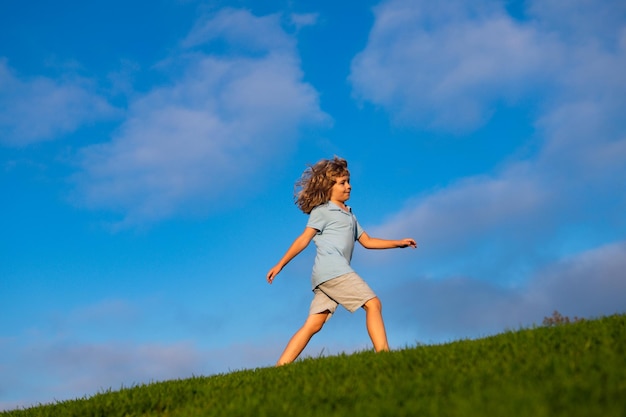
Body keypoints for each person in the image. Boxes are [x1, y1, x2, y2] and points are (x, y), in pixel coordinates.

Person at [266, 156, 417, 366]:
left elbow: (368, 241)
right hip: (333, 270)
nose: (349, 186)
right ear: (329, 187)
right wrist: (280, 264)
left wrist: (398, 243)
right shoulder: (323, 211)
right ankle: (384, 356)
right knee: (373, 304)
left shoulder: (350, 215)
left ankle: (279, 368)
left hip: (325, 276)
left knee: (313, 324)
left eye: (348, 181)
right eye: (342, 182)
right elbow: (303, 239)